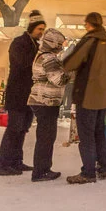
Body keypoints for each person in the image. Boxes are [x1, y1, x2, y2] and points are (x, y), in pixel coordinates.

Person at [62, 12, 106, 184]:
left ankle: (88, 172)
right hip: (104, 97)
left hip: (87, 96)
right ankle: (102, 168)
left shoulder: (89, 42)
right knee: (100, 134)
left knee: (86, 135)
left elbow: (70, 63)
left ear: (88, 24)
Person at [0, 10, 46, 176]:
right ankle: (3, 164)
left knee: (23, 129)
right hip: (17, 94)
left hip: (29, 96)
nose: (41, 32)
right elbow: (21, 64)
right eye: (39, 29)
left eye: (43, 29)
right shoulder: (19, 43)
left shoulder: (36, 45)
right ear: (32, 27)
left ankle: (16, 161)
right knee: (14, 129)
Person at [28, 28, 69, 182]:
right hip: (45, 100)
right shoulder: (49, 58)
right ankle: (40, 171)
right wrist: (71, 72)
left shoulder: (42, 55)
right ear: (54, 43)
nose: (61, 47)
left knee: (45, 136)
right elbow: (58, 79)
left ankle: (43, 168)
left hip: (42, 99)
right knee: (46, 137)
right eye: (60, 43)